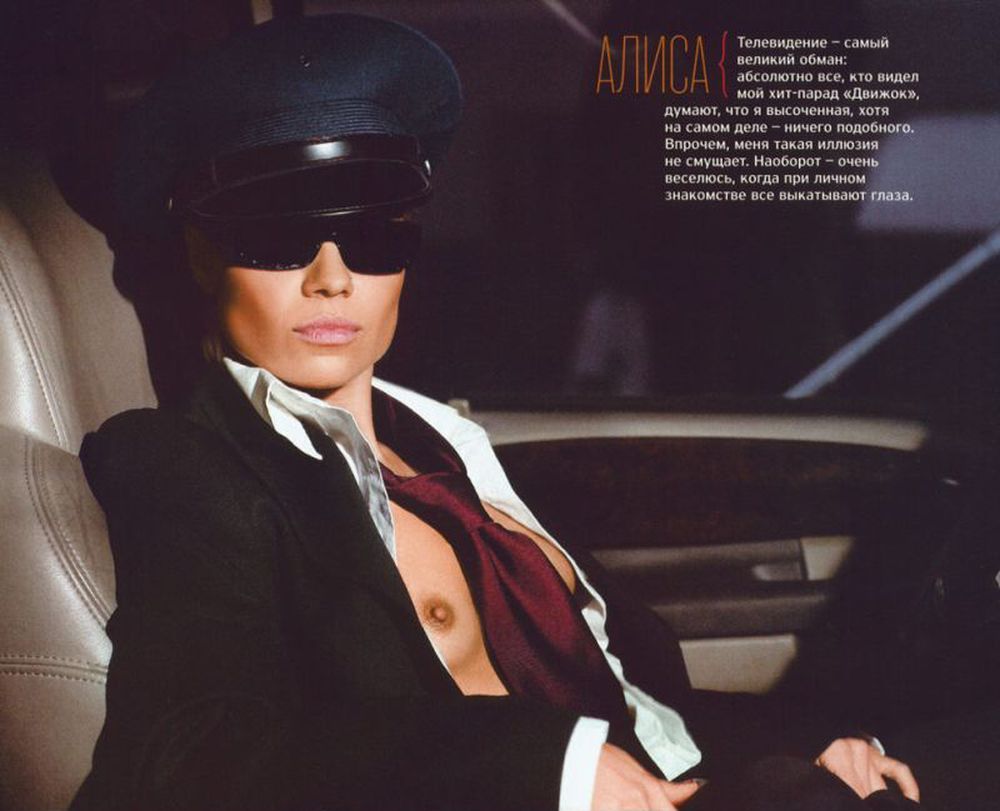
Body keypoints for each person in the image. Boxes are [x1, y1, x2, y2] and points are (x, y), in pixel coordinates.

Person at [71, 14, 923, 811]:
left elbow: (631, 710)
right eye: (276, 237)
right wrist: (550, 766)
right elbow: (185, 750)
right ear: (200, 251)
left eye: (372, 235)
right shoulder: (186, 461)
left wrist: (799, 747)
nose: (332, 278)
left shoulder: (450, 447)